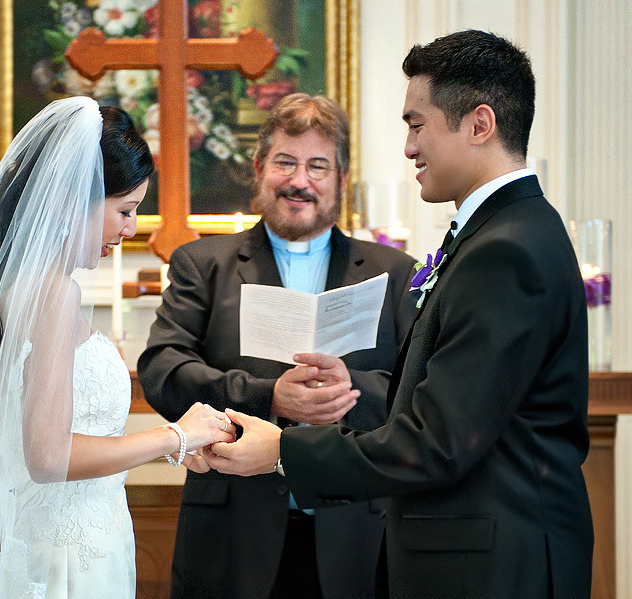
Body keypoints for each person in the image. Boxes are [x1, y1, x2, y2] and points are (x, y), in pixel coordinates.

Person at [205, 30, 594, 599]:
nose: (408, 148)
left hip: (494, 566)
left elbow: (436, 441)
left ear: (479, 124)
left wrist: (283, 450)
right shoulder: (506, 232)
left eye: (417, 125)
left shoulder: (506, 251)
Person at [0, 97, 234, 599]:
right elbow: (49, 456)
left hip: (45, 543)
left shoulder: (12, 286)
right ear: (75, 198)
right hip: (71, 562)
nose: (131, 228)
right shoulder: (54, 293)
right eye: (125, 209)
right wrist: (175, 438)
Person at [137, 93, 417, 599]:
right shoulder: (203, 264)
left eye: (317, 166)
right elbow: (162, 369)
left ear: (340, 178)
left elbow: (414, 389)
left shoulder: (394, 273)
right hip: (232, 536)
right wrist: (268, 397)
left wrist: (347, 391)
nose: (299, 181)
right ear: (260, 166)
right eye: (285, 162)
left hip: (356, 530)